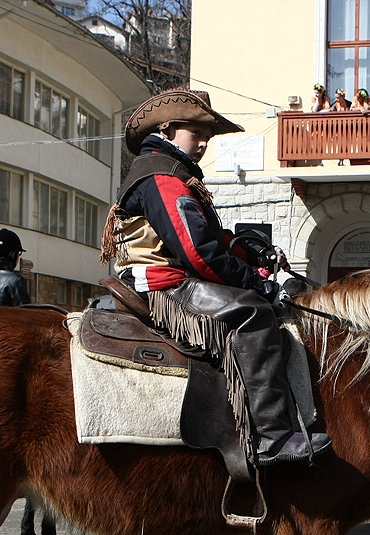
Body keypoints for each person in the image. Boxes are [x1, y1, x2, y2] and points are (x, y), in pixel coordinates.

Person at [104, 88, 331, 466]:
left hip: (170, 276)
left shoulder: (173, 174)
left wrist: (248, 251)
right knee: (253, 313)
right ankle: (271, 438)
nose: (205, 142)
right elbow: (198, 254)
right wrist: (261, 286)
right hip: (162, 284)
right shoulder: (161, 177)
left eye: (208, 135)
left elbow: (211, 239)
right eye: (197, 132)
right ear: (168, 128)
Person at [0, 227, 69, 535]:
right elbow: (24, 323)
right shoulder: (13, 282)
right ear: (14, 256)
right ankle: (38, 528)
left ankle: (29, 531)